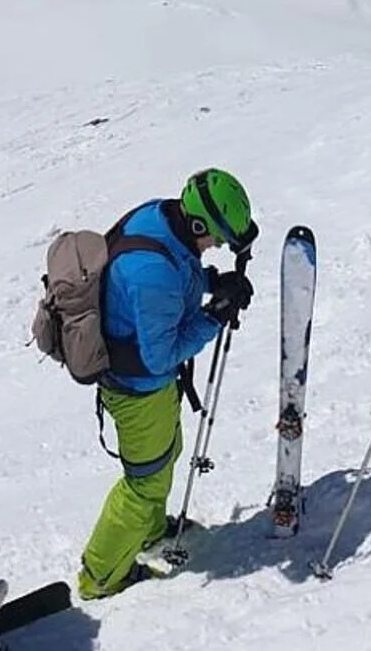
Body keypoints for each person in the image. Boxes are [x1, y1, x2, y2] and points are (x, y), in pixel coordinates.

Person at [77, 168, 257, 600]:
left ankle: (151, 531)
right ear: (198, 223)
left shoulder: (163, 217)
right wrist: (215, 314)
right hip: (137, 388)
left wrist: (214, 283)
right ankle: (100, 577)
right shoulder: (150, 270)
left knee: (164, 457)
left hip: (146, 384)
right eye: (213, 238)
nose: (213, 246)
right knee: (143, 485)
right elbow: (163, 352)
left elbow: (181, 269)